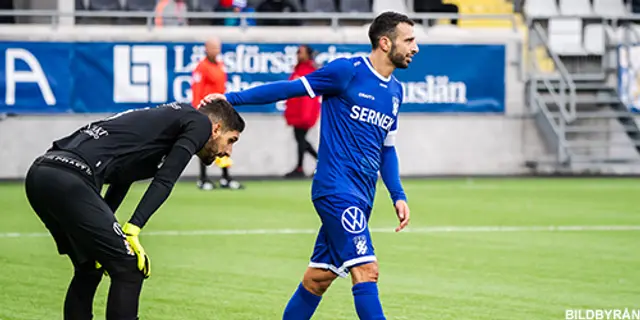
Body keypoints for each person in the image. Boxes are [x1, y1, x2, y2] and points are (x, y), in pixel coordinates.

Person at [203, 11, 416, 320]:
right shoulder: (347, 72)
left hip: (361, 197)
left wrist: (397, 194)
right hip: (336, 190)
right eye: (409, 40)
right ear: (385, 42)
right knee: (367, 271)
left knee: (317, 281)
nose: (415, 47)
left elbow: (388, 149)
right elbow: (287, 89)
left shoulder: (396, 91)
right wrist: (231, 99)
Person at [24, 100, 244, 320]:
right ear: (215, 129)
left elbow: (122, 179)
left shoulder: (164, 128)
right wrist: (132, 230)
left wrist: (107, 227)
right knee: (129, 268)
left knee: (90, 267)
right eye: (231, 140)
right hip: (69, 179)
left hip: (42, 174)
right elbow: (166, 179)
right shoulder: (199, 122)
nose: (228, 152)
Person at [191, 36, 245, 190]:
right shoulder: (202, 67)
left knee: (225, 142)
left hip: (221, 111)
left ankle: (225, 177)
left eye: (218, 47)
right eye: (213, 47)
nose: (216, 51)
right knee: (206, 144)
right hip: (208, 112)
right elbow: (197, 90)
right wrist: (199, 112)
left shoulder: (220, 65)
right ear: (206, 48)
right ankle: (203, 178)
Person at [284, 45, 320, 178]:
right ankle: (301, 166)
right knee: (300, 139)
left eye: (300, 52)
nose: (298, 55)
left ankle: (304, 166)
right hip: (297, 112)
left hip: (302, 113)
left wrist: (306, 115)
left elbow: (308, 97)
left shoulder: (307, 71)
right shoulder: (300, 70)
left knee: (301, 139)